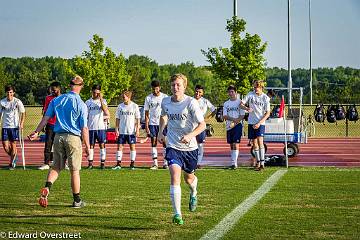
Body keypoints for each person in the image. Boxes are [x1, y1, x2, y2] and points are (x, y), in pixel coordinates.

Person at [28, 76, 90, 208]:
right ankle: (77, 200)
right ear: (81, 86)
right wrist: (87, 146)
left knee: (56, 167)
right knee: (74, 171)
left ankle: (47, 187)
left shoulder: (57, 100)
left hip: (58, 136)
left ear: (69, 85)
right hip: (73, 138)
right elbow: (84, 128)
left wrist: (36, 132)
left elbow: (45, 118)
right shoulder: (81, 104)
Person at [158, 73, 206, 225]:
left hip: (190, 148)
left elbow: (202, 125)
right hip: (173, 145)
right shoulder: (165, 101)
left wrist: (190, 135)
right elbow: (164, 116)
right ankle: (177, 214)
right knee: (174, 176)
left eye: (178, 85)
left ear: (184, 86)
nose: (175, 87)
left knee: (189, 179)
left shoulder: (191, 103)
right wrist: (160, 131)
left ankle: (193, 192)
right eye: (173, 85)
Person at [240, 80, 271, 171]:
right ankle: (257, 162)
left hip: (260, 123)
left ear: (261, 87)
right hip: (251, 122)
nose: (255, 89)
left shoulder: (265, 98)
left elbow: (268, 113)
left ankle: (262, 163)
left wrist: (259, 123)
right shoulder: (250, 94)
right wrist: (246, 108)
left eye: (256, 87)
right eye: (254, 87)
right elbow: (241, 104)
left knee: (260, 141)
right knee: (254, 143)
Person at [112, 90, 140, 170]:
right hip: (122, 131)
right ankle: (118, 164)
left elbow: (138, 118)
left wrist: (137, 129)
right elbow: (117, 118)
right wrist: (116, 129)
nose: (123, 98)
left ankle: (132, 164)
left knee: (132, 147)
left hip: (131, 131)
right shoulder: (120, 106)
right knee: (119, 147)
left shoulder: (134, 106)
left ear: (129, 97)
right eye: (122, 97)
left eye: (124, 97)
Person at [144, 80, 168, 170]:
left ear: (159, 88)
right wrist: (146, 125)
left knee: (165, 142)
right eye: (153, 89)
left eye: (156, 89)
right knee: (153, 142)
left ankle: (165, 163)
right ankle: (155, 164)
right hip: (152, 123)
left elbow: (169, 110)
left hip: (163, 123)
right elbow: (146, 113)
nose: (155, 90)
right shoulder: (148, 98)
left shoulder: (165, 97)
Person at [0, 85, 26, 170]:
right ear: (6, 93)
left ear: (13, 93)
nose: (9, 94)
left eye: (11, 92)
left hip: (14, 126)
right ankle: (14, 156)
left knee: (13, 144)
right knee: (5, 146)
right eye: (8, 92)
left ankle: (12, 163)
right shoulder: (2, 102)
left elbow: (23, 112)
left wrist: (21, 123)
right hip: (5, 126)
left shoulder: (17, 101)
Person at [85, 85, 110, 169]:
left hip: (100, 127)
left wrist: (101, 99)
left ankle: (102, 163)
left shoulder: (103, 101)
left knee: (102, 145)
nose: (96, 94)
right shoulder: (88, 102)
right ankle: (90, 163)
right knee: (91, 145)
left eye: (97, 92)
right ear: (92, 92)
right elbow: (86, 115)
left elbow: (105, 111)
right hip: (91, 127)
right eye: (94, 92)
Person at [38, 82, 61, 170]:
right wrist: (43, 123)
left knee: (60, 145)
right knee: (48, 144)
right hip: (50, 124)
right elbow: (45, 111)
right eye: (52, 90)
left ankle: (62, 162)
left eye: (54, 90)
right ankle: (46, 163)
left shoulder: (63, 98)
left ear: (59, 89)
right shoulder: (48, 98)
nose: (53, 91)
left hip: (60, 125)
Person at [193, 84, 216, 168]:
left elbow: (214, 110)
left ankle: (198, 162)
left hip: (201, 125)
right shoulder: (190, 100)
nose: (197, 93)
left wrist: (207, 118)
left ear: (202, 93)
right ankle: (192, 160)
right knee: (191, 143)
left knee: (200, 144)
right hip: (191, 125)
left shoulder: (205, 101)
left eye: (200, 92)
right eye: (196, 91)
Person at [222, 85, 245, 169]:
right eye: (229, 92)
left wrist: (235, 122)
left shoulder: (240, 102)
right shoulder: (226, 103)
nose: (231, 93)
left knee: (236, 143)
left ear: (236, 92)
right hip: (229, 125)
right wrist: (232, 120)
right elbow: (224, 115)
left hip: (237, 125)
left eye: (232, 92)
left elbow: (242, 115)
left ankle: (234, 163)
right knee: (231, 144)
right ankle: (232, 162)